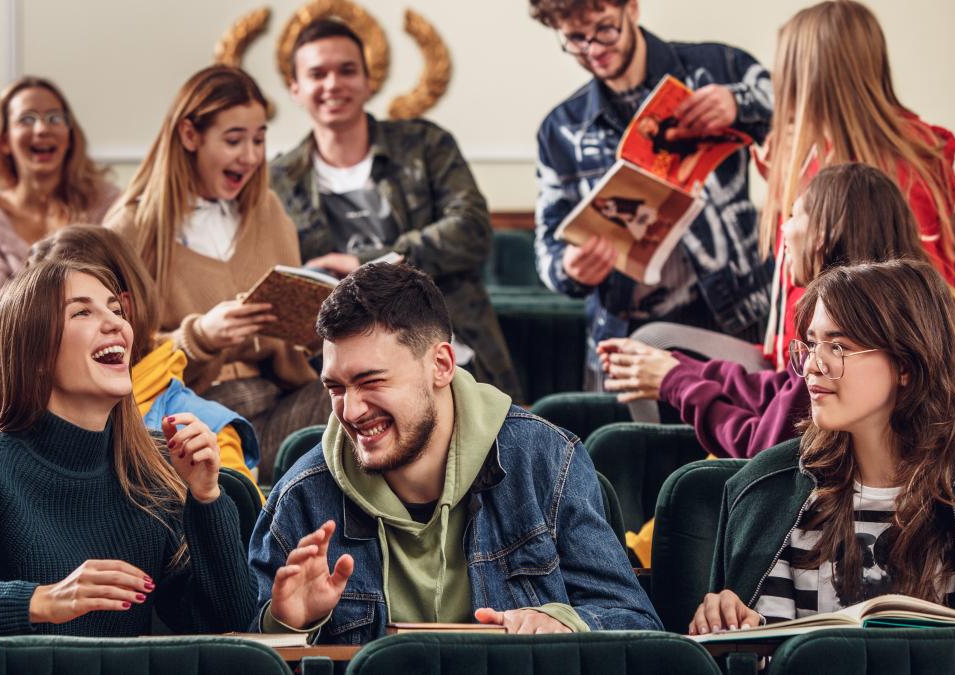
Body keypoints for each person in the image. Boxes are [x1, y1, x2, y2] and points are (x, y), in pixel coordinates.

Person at [247, 263, 660, 644]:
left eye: (371, 381)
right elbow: (249, 657)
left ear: (441, 365)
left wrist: (563, 623)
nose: (350, 411)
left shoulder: (547, 459)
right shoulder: (301, 496)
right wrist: (284, 626)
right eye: (335, 387)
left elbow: (636, 622)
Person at [602, 0, 955, 423]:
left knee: (654, 348)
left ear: (802, 78)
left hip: (817, 368)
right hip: (799, 361)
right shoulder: (886, 157)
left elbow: (903, 296)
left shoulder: (862, 178)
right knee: (652, 347)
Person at [0, 260, 255, 647]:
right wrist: (40, 601)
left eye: (116, 310)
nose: (116, 323)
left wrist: (206, 499)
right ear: (36, 354)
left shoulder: (154, 467)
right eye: (82, 312)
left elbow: (228, 623)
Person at [600, 163, 955, 460]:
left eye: (794, 215)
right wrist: (681, 369)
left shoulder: (855, 340)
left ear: (821, 234)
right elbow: (785, 392)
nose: (783, 229)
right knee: (657, 342)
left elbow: (765, 448)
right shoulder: (891, 316)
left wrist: (678, 383)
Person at [691, 259, 955, 632]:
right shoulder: (765, 491)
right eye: (812, 344)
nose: (813, 365)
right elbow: (758, 653)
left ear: (906, 364)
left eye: (839, 346)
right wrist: (730, 623)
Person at [270, 18, 520, 399]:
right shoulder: (279, 180)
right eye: (318, 74)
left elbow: (472, 229)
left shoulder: (426, 144)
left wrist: (367, 263)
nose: (333, 84)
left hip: (450, 353)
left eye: (347, 70)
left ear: (370, 81)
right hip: (340, 371)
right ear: (296, 88)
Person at [529, 0, 774, 387]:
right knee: (635, 447)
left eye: (605, 29)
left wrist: (738, 103)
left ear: (633, 9)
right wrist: (570, 268)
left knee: (743, 445)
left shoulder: (720, 68)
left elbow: (801, 116)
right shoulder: (560, 130)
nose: (593, 49)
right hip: (628, 337)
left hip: (737, 318)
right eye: (576, 39)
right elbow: (548, 248)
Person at [106, 65, 328, 478]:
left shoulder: (269, 213)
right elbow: (113, 354)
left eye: (259, 139)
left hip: (279, 398)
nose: (251, 156)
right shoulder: (131, 230)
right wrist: (201, 337)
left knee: (378, 393)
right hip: (193, 410)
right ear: (190, 136)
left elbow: (298, 349)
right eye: (234, 140)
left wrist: (324, 320)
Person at [0, 226, 262, 487]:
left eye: (108, 307)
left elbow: (242, 542)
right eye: (80, 312)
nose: (110, 322)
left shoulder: (200, 426)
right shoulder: (24, 392)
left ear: (124, 306)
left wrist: (206, 496)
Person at [756, 0, 955, 369]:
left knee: (659, 348)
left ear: (811, 81)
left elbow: (908, 302)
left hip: (833, 377)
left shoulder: (898, 175)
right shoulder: (821, 160)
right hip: (807, 364)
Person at [0, 76, 120, 375]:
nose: (43, 128)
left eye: (55, 118)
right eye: (27, 119)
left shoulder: (109, 203)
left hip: (92, 367)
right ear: (5, 140)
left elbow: (121, 295)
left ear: (70, 135)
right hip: (7, 368)